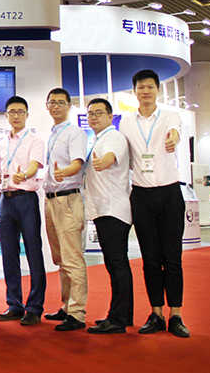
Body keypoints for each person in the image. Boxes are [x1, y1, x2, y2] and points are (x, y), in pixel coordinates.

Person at [119, 69, 189, 338]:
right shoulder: (126, 122)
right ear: (134, 91)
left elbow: (175, 131)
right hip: (141, 195)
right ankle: (156, 313)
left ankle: (176, 315)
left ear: (158, 90)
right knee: (149, 258)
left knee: (172, 257)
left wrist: (173, 139)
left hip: (169, 193)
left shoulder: (170, 115)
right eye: (141, 87)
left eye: (150, 86)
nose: (145, 91)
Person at [0, 95, 46, 326]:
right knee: (8, 254)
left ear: (27, 115)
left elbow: (34, 166)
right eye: (12, 112)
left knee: (34, 251)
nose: (16, 116)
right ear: (6, 115)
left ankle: (34, 307)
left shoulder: (35, 141)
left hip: (26, 200)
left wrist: (24, 174)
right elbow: (0, 176)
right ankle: (14, 304)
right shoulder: (1, 144)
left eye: (20, 112)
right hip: (6, 201)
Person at [83, 98, 134, 334]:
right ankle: (123, 315)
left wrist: (103, 162)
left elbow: (110, 157)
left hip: (112, 210)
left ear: (110, 116)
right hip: (105, 209)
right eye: (90, 114)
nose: (93, 117)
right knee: (115, 264)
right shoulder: (98, 139)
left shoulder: (113, 137)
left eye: (99, 113)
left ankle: (118, 318)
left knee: (117, 264)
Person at [41, 88, 88, 331]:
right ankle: (67, 306)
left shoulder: (75, 132)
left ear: (70, 106)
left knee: (72, 258)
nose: (56, 106)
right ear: (47, 106)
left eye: (61, 102)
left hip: (68, 198)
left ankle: (77, 313)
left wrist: (64, 173)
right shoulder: (53, 134)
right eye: (52, 102)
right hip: (51, 200)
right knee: (60, 258)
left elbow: (78, 164)